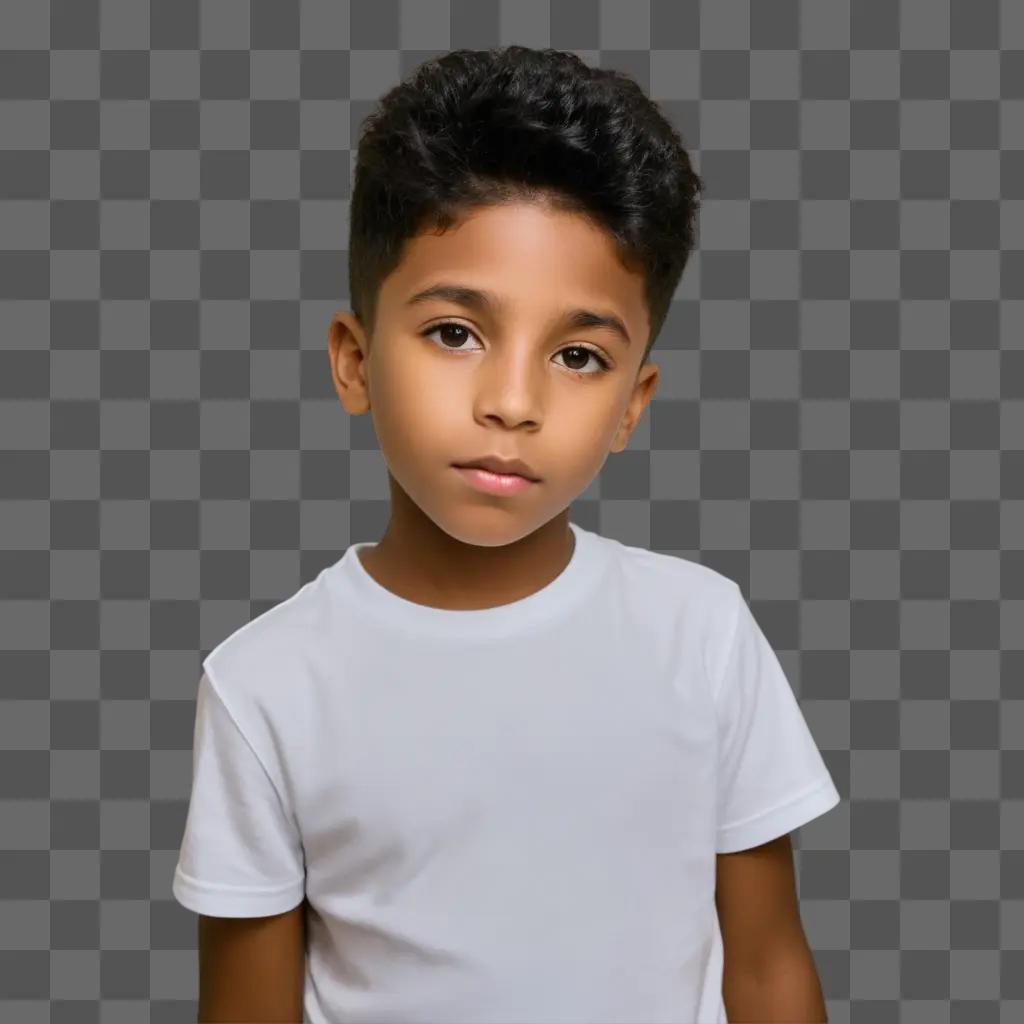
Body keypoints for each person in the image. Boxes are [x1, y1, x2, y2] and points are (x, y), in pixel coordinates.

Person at [172, 45, 840, 1024]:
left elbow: (770, 968)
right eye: (455, 332)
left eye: (577, 354)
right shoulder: (264, 684)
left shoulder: (700, 633)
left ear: (629, 405)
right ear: (354, 361)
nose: (514, 402)